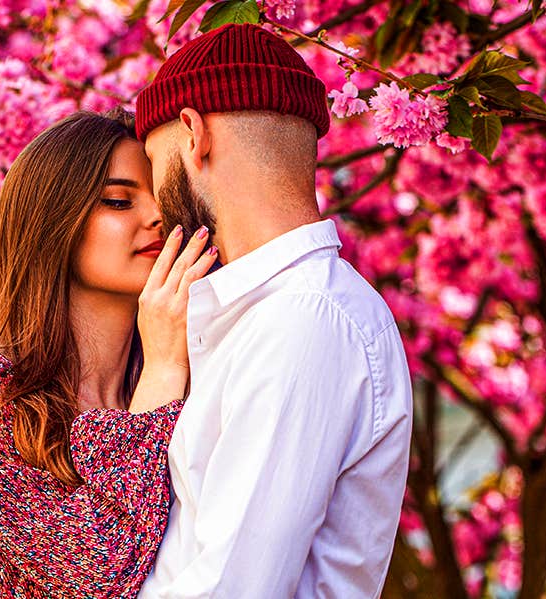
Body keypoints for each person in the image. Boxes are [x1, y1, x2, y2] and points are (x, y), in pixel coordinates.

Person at [133, 23, 415, 598]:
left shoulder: (302, 320)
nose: (155, 205)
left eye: (152, 163)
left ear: (193, 134)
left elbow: (232, 587)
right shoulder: (276, 313)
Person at [0, 109, 217, 597]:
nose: (159, 216)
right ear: (53, 222)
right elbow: (93, 569)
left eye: (164, 197)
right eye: (119, 201)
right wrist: (164, 368)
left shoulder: (201, 388)